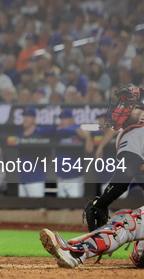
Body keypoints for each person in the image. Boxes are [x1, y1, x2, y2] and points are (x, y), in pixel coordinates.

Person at [41, 85, 144, 269]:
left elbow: (126, 174)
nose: (123, 108)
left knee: (125, 222)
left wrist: (103, 202)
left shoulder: (137, 132)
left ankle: (75, 252)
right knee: (141, 254)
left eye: (131, 105)